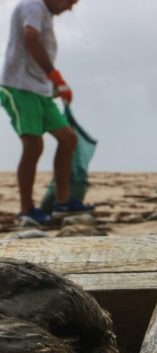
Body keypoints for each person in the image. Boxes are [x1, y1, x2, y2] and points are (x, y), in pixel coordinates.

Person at [0, 0, 92, 225]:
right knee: (33, 145)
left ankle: (63, 202)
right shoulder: (33, 5)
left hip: (39, 88)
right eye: (70, 1)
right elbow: (30, 38)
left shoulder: (45, 14)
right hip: (18, 85)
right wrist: (55, 76)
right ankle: (26, 210)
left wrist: (52, 85)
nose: (70, 8)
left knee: (69, 139)